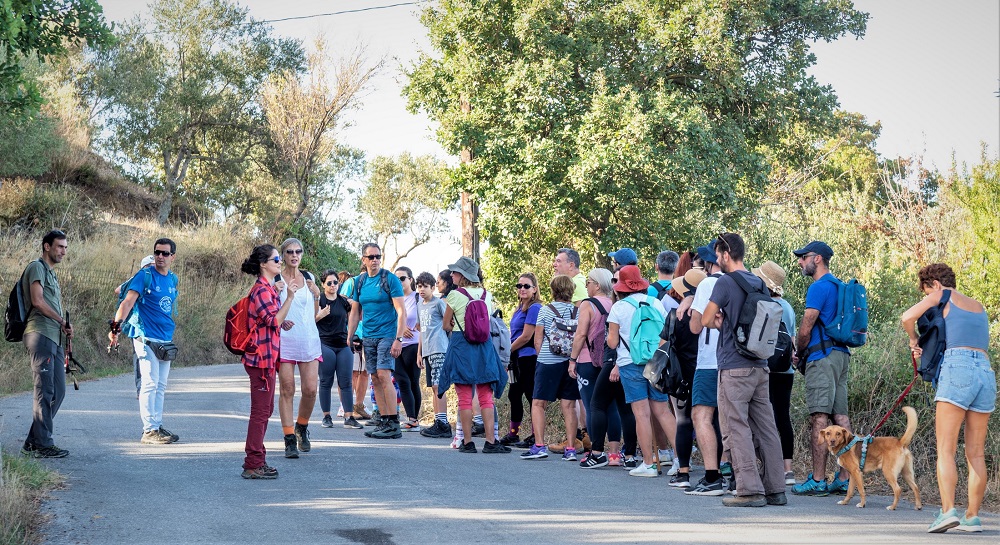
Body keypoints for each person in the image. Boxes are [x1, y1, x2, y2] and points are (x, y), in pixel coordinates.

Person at [901, 263, 994, 533]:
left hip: (958, 368)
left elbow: (907, 317)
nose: (927, 296)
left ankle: (947, 511)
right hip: (985, 373)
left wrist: (914, 340)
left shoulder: (941, 295)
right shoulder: (978, 305)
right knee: (975, 452)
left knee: (946, 449)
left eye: (926, 290)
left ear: (936, 285)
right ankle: (973, 517)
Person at [702, 233, 786, 507]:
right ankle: (776, 489)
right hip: (760, 366)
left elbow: (704, 318)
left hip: (734, 367)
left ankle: (749, 490)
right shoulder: (759, 282)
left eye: (718, 255)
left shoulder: (725, 282)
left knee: (735, 427)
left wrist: (718, 321)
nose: (717, 260)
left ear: (726, 254)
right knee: (767, 428)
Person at [790, 240, 851, 496]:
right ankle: (845, 477)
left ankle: (817, 479)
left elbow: (807, 325)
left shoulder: (819, 287)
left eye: (803, 257)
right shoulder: (841, 287)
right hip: (842, 355)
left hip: (822, 357)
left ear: (817, 259)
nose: (800, 262)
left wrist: (798, 351)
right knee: (842, 417)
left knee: (819, 416)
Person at [605, 265, 676, 477]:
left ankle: (648, 464)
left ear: (620, 288)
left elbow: (612, 342)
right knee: (663, 411)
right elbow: (666, 331)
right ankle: (680, 460)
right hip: (656, 361)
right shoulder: (655, 302)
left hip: (629, 363)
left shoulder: (618, 308)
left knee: (641, 415)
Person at [110, 238, 180, 445]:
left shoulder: (173, 279)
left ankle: (156, 425)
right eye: (157, 252)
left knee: (161, 384)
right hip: (145, 336)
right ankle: (149, 430)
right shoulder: (144, 275)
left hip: (165, 338)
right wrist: (116, 327)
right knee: (149, 383)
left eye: (165, 253)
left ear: (172, 257)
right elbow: (128, 301)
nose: (160, 256)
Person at [437, 256, 509, 453]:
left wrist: (454, 323)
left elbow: (445, 325)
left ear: (463, 275)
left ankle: (467, 442)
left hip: (461, 346)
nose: (452, 275)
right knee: (486, 396)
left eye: (455, 272)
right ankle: (491, 441)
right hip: (484, 347)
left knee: (465, 397)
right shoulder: (487, 294)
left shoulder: (454, 295)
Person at [238, 244, 297, 479]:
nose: (280, 262)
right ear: (263, 264)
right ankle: (253, 463)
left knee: (265, 409)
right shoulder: (262, 290)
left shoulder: (268, 288)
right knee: (261, 411)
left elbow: (270, 320)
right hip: (260, 359)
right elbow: (272, 320)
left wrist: (283, 320)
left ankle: (256, 460)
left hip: (266, 358)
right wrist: (290, 298)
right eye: (276, 259)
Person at [677, 242, 727, 495]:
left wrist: (692, 300)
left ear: (710, 262)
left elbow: (696, 327)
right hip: (737, 361)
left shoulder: (708, 284)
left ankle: (711, 476)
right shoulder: (743, 280)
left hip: (710, 361)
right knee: (729, 419)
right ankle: (735, 473)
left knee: (701, 416)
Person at [346, 243, 408, 439]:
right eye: (371, 257)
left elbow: (401, 311)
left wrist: (398, 339)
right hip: (369, 337)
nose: (375, 260)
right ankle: (383, 421)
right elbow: (355, 312)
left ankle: (393, 422)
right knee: (373, 377)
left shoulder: (389, 280)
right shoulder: (360, 282)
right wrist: (349, 336)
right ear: (363, 260)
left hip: (387, 334)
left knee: (383, 374)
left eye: (378, 256)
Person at [20, 230, 72, 458]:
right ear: (46, 246)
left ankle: (34, 441)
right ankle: (42, 444)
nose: (63, 251)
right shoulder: (37, 268)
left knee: (58, 392)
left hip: (55, 337)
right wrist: (61, 320)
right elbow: (37, 301)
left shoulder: (51, 273)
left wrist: (64, 326)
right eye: (59, 246)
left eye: (65, 247)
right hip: (40, 334)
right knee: (45, 390)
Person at [520, 275, 581, 460]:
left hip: (548, 361)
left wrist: (542, 356)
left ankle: (539, 445)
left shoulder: (545, 311)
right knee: (569, 406)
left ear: (553, 290)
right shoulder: (577, 311)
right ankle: (570, 448)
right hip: (570, 361)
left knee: (538, 403)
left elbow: (537, 338)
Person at [571, 268, 625, 468]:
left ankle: (596, 452)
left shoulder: (588, 304)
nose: (586, 286)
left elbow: (580, 334)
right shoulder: (615, 303)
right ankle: (614, 454)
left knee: (592, 405)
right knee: (611, 407)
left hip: (587, 360)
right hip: (610, 360)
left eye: (588, 282)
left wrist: (572, 359)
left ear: (597, 284)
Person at [276, 238, 322, 458]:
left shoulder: (310, 278)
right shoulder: (276, 280)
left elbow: (314, 313)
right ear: (283, 255)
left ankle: (301, 427)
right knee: (287, 389)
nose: (294, 255)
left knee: (310, 390)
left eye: (298, 251)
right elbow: (271, 312)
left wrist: (317, 294)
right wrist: (280, 321)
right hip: (285, 340)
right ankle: (288, 439)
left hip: (309, 339)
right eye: (289, 252)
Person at [752, 260, 797, 485]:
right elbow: (793, 339)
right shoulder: (787, 306)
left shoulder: (763, 303)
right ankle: (788, 468)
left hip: (766, 367)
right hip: (786, 368)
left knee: (763, 418)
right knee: (783, 417)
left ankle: (768, 466)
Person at [665, 268, 707, 488]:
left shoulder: (675, 316)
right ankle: (717, 467)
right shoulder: (709, 314)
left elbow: (663, 345)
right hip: (705, 370)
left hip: (680, 374)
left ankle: (683, 472)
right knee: (710, 420)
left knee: (683, 421)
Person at [316, 269, 363, 430]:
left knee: (346, 382)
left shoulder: (343, 301)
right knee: (326, 381)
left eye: (335, 282)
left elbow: (357, 314)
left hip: (343, 344)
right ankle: (326, 416)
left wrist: (353, 304)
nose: (333, 285)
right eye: (329, 283)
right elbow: (308, 321)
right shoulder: (319, 300)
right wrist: (319, 315)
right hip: (325, 344)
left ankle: (349, 417)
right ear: (323, 285)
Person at [502, 272, 542, 446]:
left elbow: (526, 336)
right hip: (515, 357)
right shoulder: (520, 308)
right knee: (514, 394)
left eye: (526, 286)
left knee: (531, 395)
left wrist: (508, 350)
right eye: (519, 286)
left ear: (534, 289)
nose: (522, 289)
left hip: (528, 356)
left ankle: (536, 435)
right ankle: (513, 433)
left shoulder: (535, 308)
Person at [416, 272, 452, 439]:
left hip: (439, 348)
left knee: (439, 386)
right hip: (427, 350)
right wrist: (419, 352)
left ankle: (443, 423)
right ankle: (438, 421)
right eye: (419, 286)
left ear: (432, 287)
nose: (422, 289)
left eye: (425, 286)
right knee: (433, 387)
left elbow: (449, 324)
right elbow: (422, 330)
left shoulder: (438, 303)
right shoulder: (420, 305)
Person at [112, 254, 154, 398]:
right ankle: (141, 388)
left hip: (153, 325)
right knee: (140, 356)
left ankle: (149, 387)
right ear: (143, 268)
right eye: (149, 266)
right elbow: (118, 290)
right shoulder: (139, 278)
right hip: (137, 324)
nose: (151, 268)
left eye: (153, 265)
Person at [393, 266, 422, 430]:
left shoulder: (417, 297)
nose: (399, 282)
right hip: (396, 346)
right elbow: (390, 319)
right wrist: (400, 328)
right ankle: (412, 419)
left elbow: (425, 318)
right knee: (402, 381)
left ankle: (414, 419)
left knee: (413, 382)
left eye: (402, 278)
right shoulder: (394, 299)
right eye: (396, 279)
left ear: (411, 280)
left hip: (414, 346)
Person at [341, 268, 372, 420]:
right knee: (352, 372)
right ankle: (346, 406)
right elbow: (340, 299)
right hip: (352, 332)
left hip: (369, 332)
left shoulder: (374, 285)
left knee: (365, 372)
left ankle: (358, 405)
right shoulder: (351, 282)